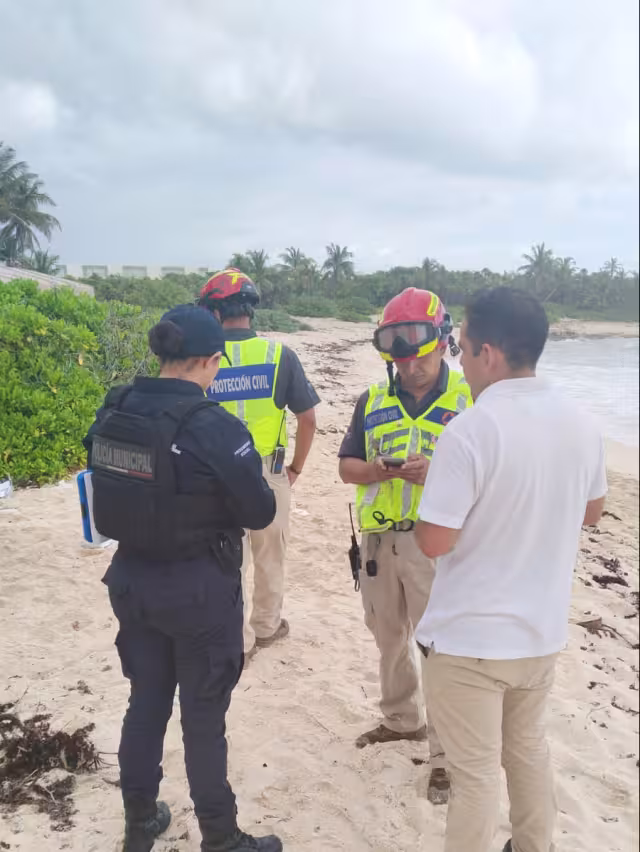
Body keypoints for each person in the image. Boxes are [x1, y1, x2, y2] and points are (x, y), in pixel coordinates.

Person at [83, 305, 283, 852]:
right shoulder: (213, 425)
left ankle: (140, 821)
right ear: (209, 361)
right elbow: (259, 510)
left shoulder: (116, 406)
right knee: (202, 719)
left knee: (145, 702)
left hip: (131, 582)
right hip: (198, 593)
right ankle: (221, 837)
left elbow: (103, 471)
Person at [414, 287, 607, 852]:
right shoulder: (581, 421)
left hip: (470, 640)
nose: (458, 358)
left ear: (489, 353)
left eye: (461, 346)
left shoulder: (471, 431)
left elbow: (433, 542)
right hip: (540, 633)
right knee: (528, 752)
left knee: (474, 778)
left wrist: (447, 491)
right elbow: (593, 512)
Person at [338, 287, 472, 804]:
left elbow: (493, 477)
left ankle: (445, 757)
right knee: (388, 638)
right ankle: (400, 721)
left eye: (421, 357)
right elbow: (346, 466)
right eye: (401, 360)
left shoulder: (469, 401)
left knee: (438, 650)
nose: (412, 369)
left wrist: (434, 475)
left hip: (437, 547)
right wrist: (376, 470)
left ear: (443, 343)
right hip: (377, 545)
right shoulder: (371, 401)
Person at [199, 268, 319, 659]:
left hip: (215, 477)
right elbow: (308, 419)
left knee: (229, 560)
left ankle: (234, 637)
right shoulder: (279, 356)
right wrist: (296, 468)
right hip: (268, 473)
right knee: (270, 555)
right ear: (251, 310)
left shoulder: (203, 359)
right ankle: (266, 629)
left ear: (214, 313)